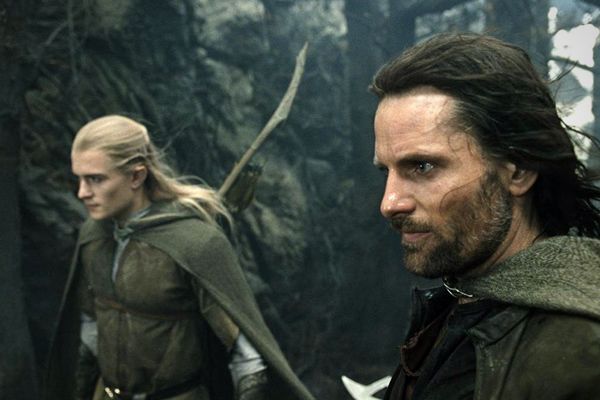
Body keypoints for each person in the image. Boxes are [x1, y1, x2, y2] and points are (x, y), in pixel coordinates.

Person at [370, 33, 600, 400]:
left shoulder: (579, 352)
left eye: (423, 166)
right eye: (387, 171)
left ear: (518, 170)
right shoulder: (463, 298)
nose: (390, 202)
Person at [45, 115, 315, 400]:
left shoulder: (194, 244)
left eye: (96, 179)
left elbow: (247, 360)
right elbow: (90, 326)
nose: (82, 193)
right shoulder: (94, 236)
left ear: (136, 176)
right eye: (79, 178)